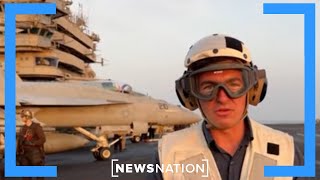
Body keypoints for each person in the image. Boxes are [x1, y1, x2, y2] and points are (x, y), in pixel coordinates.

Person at [152, 34, 306, 180]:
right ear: (191, 96)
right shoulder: (168, 153)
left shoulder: (286, 151)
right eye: (208, 87)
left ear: (253, 89)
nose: (222, 98)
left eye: (233, 84)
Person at [17, 109, 46, 180]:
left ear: (27, 117)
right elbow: (20, 141)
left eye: (22, 116)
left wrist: (33, 143)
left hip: (35, 153)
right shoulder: (22, 128)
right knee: (26, 177)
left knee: (39, 176)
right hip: (24, 154)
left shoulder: (36, 127)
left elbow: (43, 139)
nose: (21, 118)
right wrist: (18, 153)